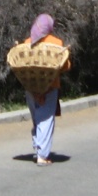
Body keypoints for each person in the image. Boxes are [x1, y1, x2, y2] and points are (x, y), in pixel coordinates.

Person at [23, 13, 70, 166]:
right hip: (50, 87)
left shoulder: (27, 43)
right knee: (46, 120)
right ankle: (42, 156)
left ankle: (38, 149)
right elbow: (65, 65)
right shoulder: (56, 43)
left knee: (37, 119)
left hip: (31, 89)